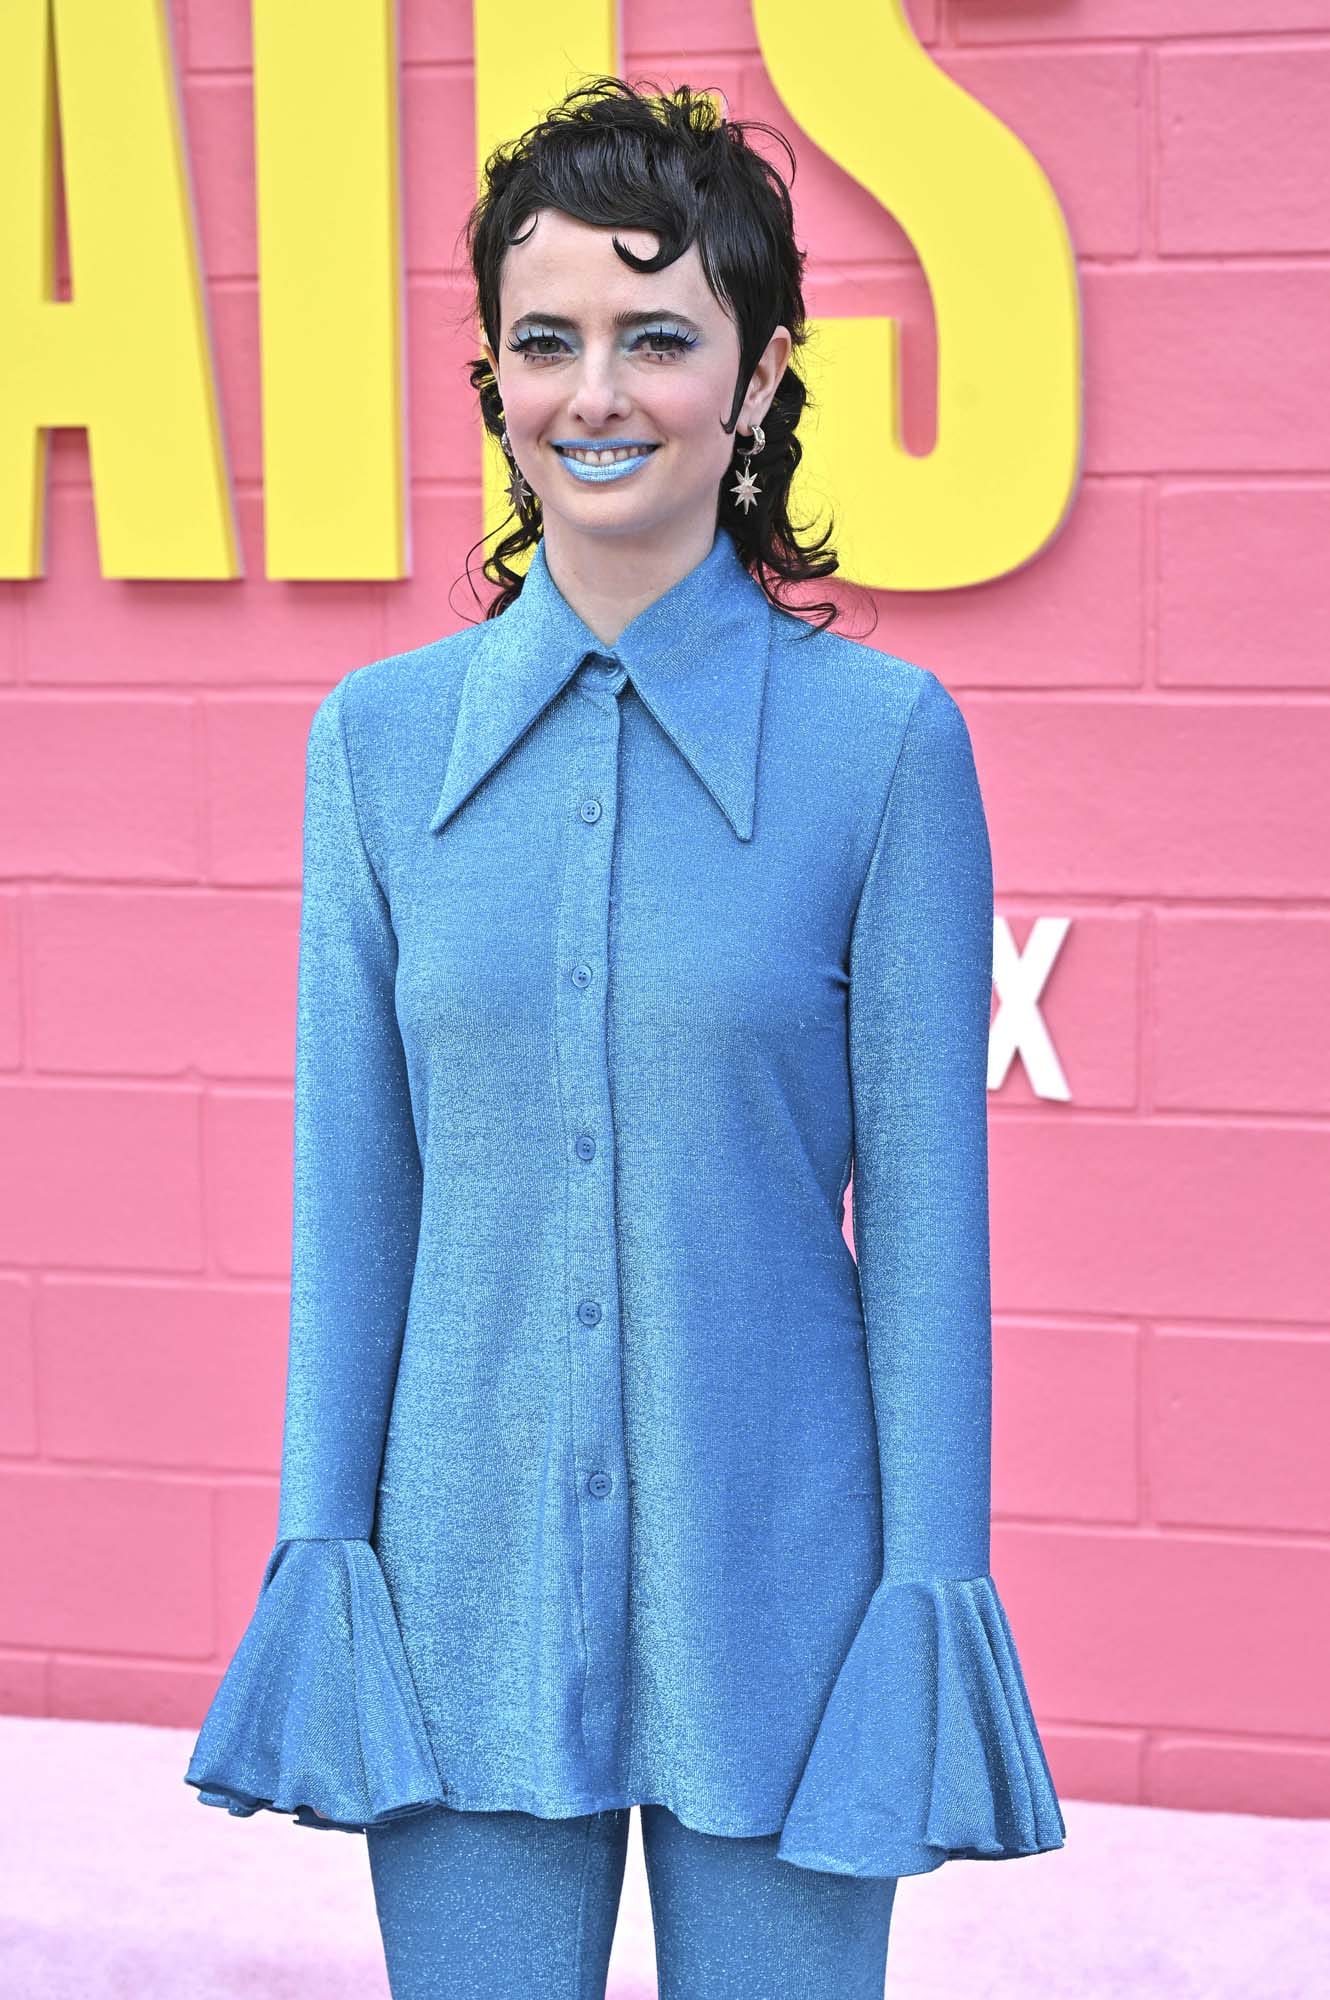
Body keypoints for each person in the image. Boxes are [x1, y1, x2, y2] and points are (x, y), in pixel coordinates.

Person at [183, 75, 1065, 1998]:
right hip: (459, 1585)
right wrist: (327, 1553)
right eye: (545, 340)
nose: (596, 392)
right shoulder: (376, 749)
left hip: (790, 1593)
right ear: (492, 376)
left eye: (657, 338)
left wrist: (924, 1595)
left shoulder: (884, 748)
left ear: (759, 379)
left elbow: (926, 1234)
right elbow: (357, 1204)